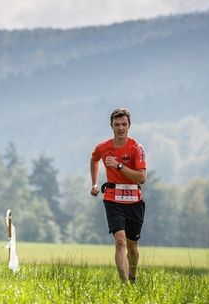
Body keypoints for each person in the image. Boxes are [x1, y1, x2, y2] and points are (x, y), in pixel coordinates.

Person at [90, 108, 147, 284]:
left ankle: (132, 277)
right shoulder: (103, 147)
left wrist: (119, 166)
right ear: (111, 126)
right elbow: (94, 160)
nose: (120, 128)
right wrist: (93, 183)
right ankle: (124, 285)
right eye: (117, 125)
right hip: (112, 199)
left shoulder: (136, 148)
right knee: (120, 241)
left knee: (132, 247)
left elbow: (142, 178)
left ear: (129, 125)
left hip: (134, 201)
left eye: (124, 124)